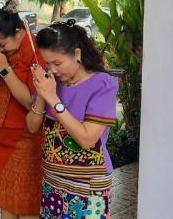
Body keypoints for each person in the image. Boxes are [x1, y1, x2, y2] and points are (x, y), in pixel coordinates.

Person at [27, 20, 117, 219]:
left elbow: (87, 139)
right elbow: (32, 127)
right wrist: (42, 96)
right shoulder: (51, 83)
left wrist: (54, 99)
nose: (53, 70)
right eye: (47, 63)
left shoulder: (103, 84)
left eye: (57, 63)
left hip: (89, 184)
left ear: (77, 54)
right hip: (53, 180)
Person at [0, 4, 44, 219]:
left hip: (28, 139)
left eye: (2, 44)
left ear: (19, 32)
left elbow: (31, 102)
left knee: (26, 206)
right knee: (6, 204)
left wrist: (5, 68)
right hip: (1, 136)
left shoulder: (37, 51)